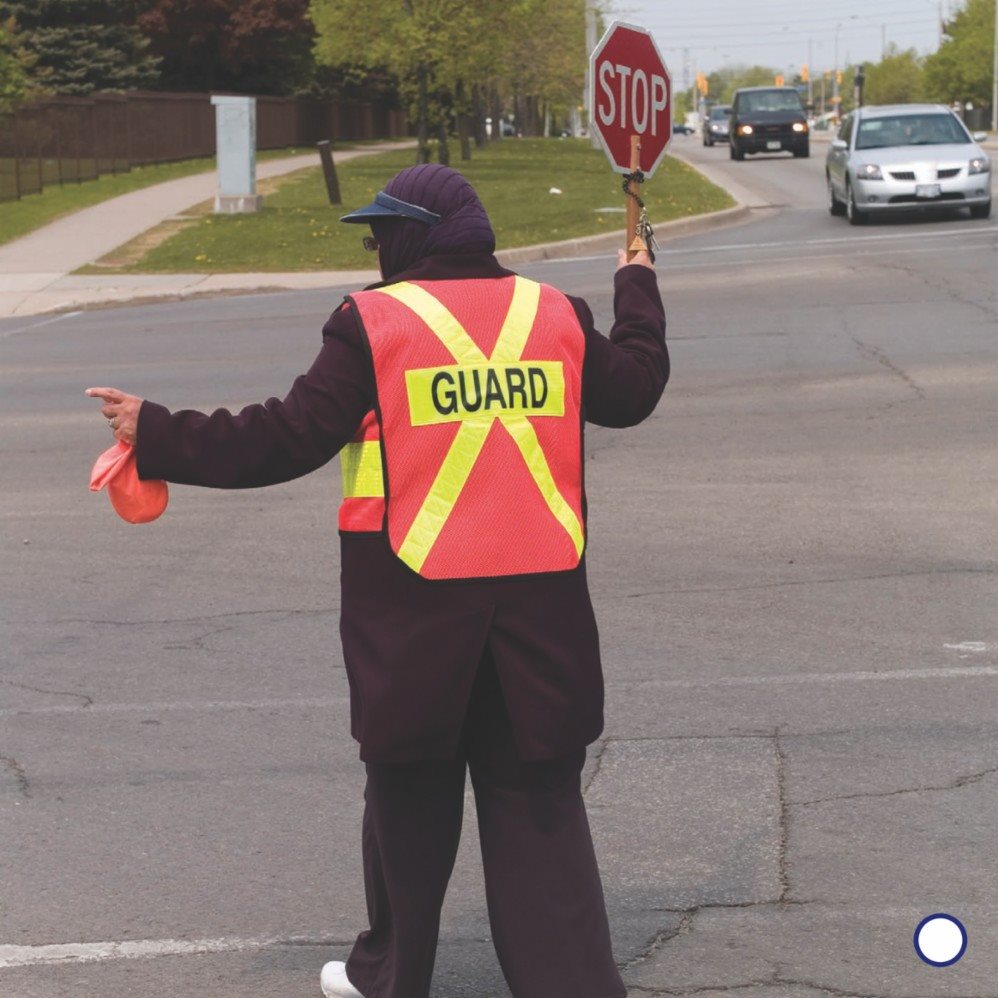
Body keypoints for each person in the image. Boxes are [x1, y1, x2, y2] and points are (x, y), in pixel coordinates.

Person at [87, 163, 668, 998]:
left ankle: (391, 976)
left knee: (407, 799)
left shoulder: (373, 323)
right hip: (542, 617)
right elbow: (637, 387)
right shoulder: (556, 314)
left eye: (379, 234)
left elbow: (285, 437)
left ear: (411, 237)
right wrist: (636, 281)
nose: (373, 249)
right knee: (538, 803)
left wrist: (160, 431)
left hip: (415, 614)